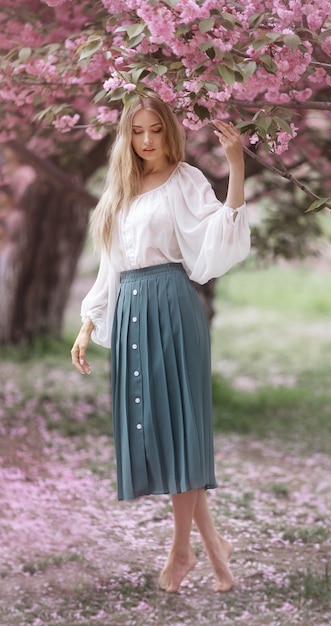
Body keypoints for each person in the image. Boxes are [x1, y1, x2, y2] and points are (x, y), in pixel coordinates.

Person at [71, 92, 251, 593]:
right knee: (161, 430)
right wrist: (88, 323)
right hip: (129, 310)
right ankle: (214, 550)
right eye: (138, 131)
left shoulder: (186, 180)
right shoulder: (121, 191)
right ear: (126, 136)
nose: (148, 140)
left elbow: (221, 230)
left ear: (169, 131)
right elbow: (111, 265)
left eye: (155, 129)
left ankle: (179, 552)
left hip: (172, 305)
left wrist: (236, 165)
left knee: (181, 429)